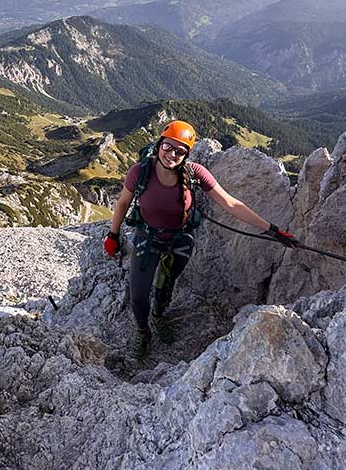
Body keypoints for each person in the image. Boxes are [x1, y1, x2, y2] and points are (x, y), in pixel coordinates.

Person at [103, 120, 298, 358]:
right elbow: (123, 202)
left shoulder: (195, 174)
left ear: (187, 155)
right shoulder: (140, 172)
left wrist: (272, 230)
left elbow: (231, 203)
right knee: (138, 296)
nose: (172, 154)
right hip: (148, 237)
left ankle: (158, 316)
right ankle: (143, 332)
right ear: (158, 145)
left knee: (166, 285)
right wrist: (113, 235)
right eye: (168, 146)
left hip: (178, 240)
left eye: (179, 150)